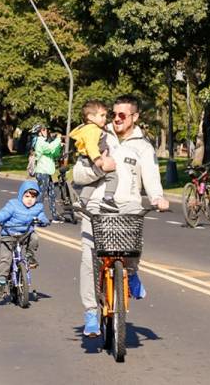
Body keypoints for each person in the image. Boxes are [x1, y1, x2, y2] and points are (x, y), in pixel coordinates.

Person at [78, 95, 170, 337]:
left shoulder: (143, 146)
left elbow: (151, 177)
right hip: (97, 207)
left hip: (127, 206)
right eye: (113, 114)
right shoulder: (96, 134)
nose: (116, 119)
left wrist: (157, 198)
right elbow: (78, 174)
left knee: (132, 247)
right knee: (90, 260)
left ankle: (131, 272)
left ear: (134, 117)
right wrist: (99, 167)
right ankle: (90, 312)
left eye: (122, 115)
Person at [0, 180, 50, 296]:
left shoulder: (37, 207)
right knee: (6, 259)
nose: (29, 200)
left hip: (24, 234)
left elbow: (41, 216)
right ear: (21, 194)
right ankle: (1, 282)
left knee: (35, 237)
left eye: (33, 197)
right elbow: (2, 214)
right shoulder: (13, 205)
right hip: (9, 234)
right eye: (26, 196)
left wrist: (44, 220)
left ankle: (29, 256)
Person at [70, 100, 119, 212]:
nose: (104, 118)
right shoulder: (93, 130)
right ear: (90, 117)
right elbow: (91, 145)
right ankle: (108, 199)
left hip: (86, 161)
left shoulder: (88, 129)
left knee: (93, 181)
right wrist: (97, 159)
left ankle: (82, 202)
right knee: (112, 175)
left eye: (105, 116)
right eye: (102, 115)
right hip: (93, 161)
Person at [31, 124, 63, 223]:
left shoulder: (43, 141)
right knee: (41, 195)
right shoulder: (40, 142)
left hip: (47, 171)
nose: (46, 131)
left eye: (46, 129)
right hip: (42, 172)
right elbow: (49, 148)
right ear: (39, 132)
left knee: (52, 194)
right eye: (44, 130)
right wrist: (58, 140)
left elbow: (52, 152)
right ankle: (35, 216)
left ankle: (54, 216)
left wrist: (59, 145)